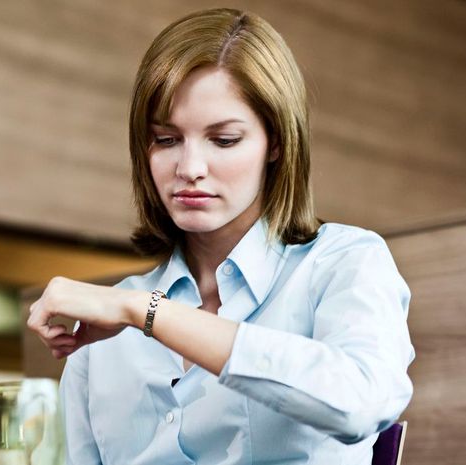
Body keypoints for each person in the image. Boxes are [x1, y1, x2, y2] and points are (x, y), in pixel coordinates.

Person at [27, 7, 415, 465]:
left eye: (224, 139)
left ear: (276, 143)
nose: (189, 169)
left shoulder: (344, 262)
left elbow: (361, 402)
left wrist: (146, 312)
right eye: (166, 140)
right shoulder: (101, 337)